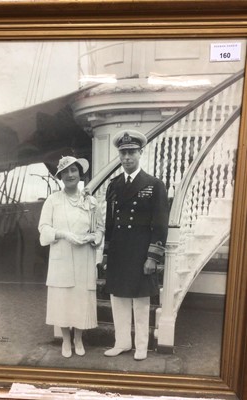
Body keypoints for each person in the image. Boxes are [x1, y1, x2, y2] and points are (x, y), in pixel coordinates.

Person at [103, 129, 169, 361]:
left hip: (142, 252)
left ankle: (141, 346)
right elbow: (110, 223)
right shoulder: (114, 185)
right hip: (120, 252)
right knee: (118, 299)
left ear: (141, 152)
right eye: (123, 153)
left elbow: (160, 225)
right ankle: (122, 343)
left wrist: (153, 256)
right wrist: (107, 253)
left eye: (131, 152)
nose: (127, 157)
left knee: (141, 302)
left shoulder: (154, 184)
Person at [38, 156, 104, 358]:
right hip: (62, 255)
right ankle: (66, 340)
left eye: (73, 170)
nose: (70, 175)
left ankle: (79, 339)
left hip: (84, 255)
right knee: (63, 299)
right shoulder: (53, 200)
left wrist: (95, 237)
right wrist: (64, 234)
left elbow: (100, 228)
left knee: (80, 298)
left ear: (79, 173)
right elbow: (43, 229)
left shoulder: (91, 201)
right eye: (65, 172)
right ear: (60, 176)